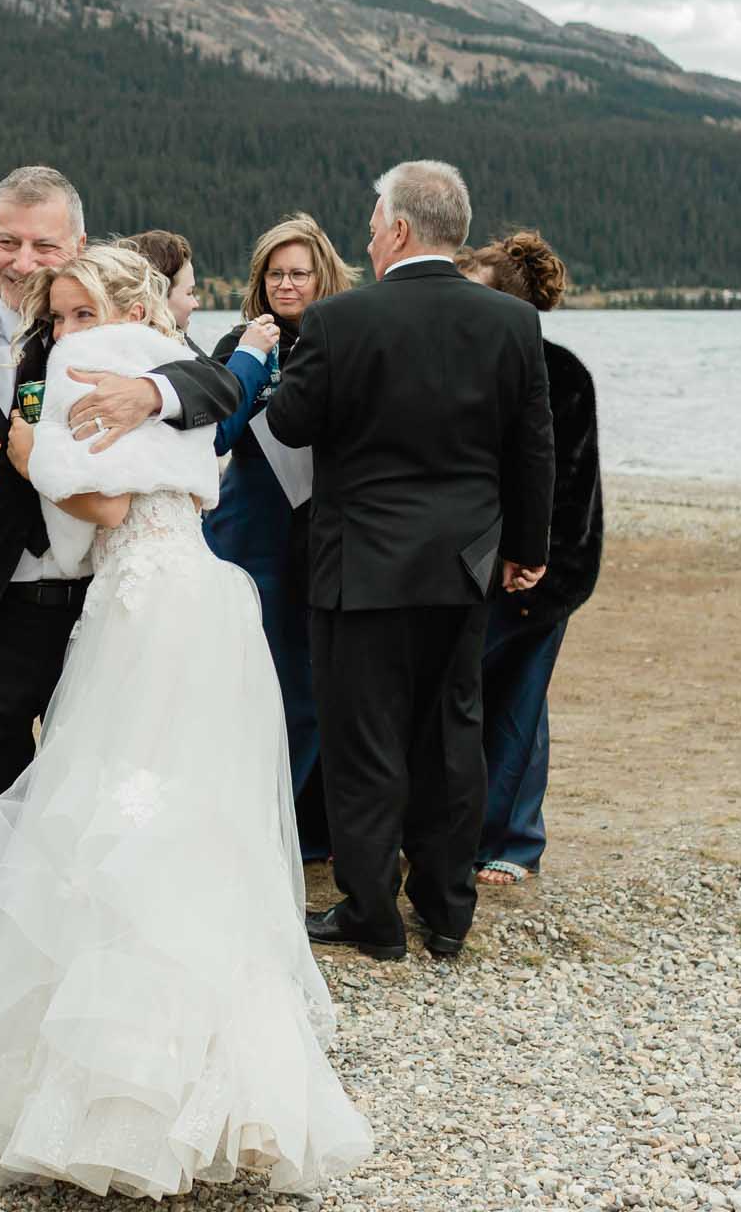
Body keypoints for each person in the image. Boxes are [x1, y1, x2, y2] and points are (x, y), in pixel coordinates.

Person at [0, 247, 372, 1198]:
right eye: (61, 317)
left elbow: (106, 505)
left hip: (146, 614)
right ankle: (209, 1089)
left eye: (81, 310)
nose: (69, 331)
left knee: (119, 819)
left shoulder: (117, 370)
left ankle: (122, 1099)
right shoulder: (180, 378)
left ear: (125, 305)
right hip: (195, 603)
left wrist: (27, 453)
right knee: (184, 824)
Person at [0, 169, 242, 956]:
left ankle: (86, 977)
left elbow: (215, 381)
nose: (24, 260)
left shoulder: (107, 331)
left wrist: (150, 394)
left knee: (103, 811)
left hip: (99, 615)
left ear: (79, 245)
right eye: (7, 242)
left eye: (45, 243)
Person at [266, 160, 553, 960]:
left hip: (361, 569)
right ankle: (448, 911)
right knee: (451, 738)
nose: (366, 238)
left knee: (364, 744)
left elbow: (289, 427)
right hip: (462, 566)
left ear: (396, 230)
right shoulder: (510, 323)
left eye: (370, 226)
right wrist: (525, 552)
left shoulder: (340, 322)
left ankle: (372, 916)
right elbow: (533, 450)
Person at [203, 215, 361, 862]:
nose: (287, 285)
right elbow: (213, 435)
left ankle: (295, 826)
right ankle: (236, 820)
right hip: (248, 532)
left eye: (299, 273)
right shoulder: (237, 342)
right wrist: (252, 360)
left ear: (323, 275)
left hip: (319, 535)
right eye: (275, 273)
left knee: (306, 688)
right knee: (237, 684)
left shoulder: (350, 337)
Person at [458, 231, 603, 885]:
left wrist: (534, 564)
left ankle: (513, 844)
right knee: (465, 697)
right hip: (468, 562)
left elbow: (571, 485)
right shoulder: (456, 364)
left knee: (520, 703)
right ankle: (453, 831)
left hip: (547, 566)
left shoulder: (561, 373)